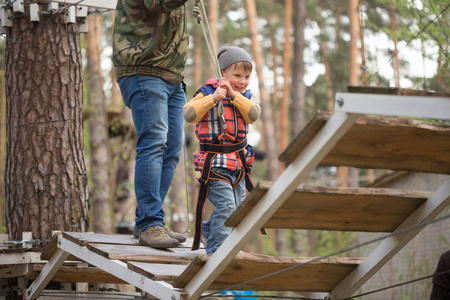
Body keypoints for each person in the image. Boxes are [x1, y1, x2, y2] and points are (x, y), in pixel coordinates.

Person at [112, 0, 190, 249]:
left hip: (171, 75)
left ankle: (148, 219)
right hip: (143, 68)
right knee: (155, 141)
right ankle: (149, 222)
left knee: (173, 147)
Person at [184, 46, 261, 254]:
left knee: (238, 211)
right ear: (223, 73)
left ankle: (208, 229)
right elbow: (189, 114)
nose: (243, 80)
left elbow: (253, 115)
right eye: (237, 75)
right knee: (226, 207)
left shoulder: (244, 96)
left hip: (238, 164)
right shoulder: (207, 91)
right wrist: (214, 98)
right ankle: (217, 251)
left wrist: (234, 94)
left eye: (246, 76)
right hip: (215, 163)